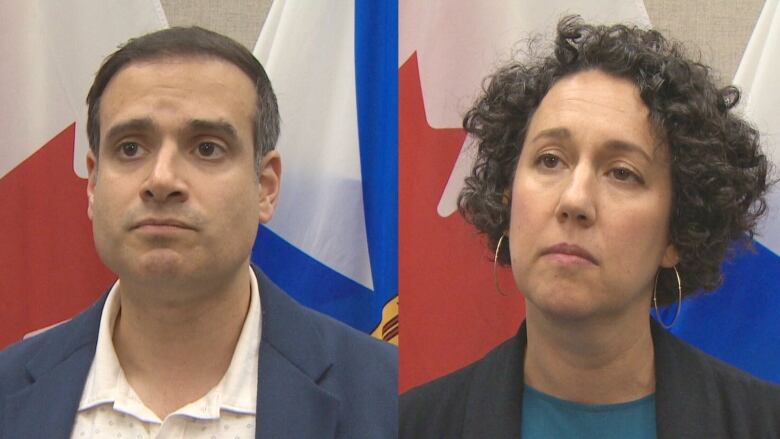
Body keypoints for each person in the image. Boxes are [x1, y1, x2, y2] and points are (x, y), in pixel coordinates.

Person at [0, 27, 397, 438]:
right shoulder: (8, 391)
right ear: (93, 183)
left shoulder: (389, 398)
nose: (162, 179)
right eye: (131, 148)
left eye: (207, 148)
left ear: (265, 187)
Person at [400, 16, 780, 438]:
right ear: (507, 196)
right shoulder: (409, 425)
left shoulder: (762, 423)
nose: (574, 200)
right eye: (550, 160)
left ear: (677, 232)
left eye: (621, 172)